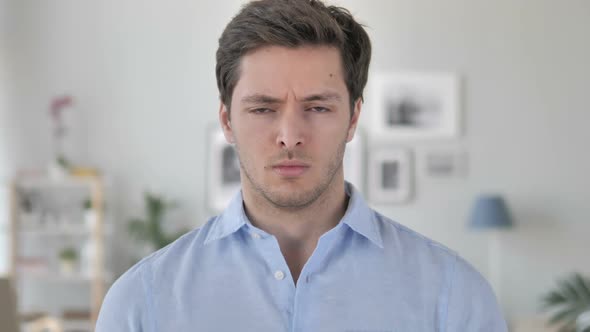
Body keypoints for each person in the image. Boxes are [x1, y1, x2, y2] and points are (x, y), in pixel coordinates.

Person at [96, 0, 508, 331]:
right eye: (262, 108)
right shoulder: (141, 303)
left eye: (317, 106)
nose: (290, 135)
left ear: (352, 118)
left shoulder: (453, 296)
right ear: (227, 121)